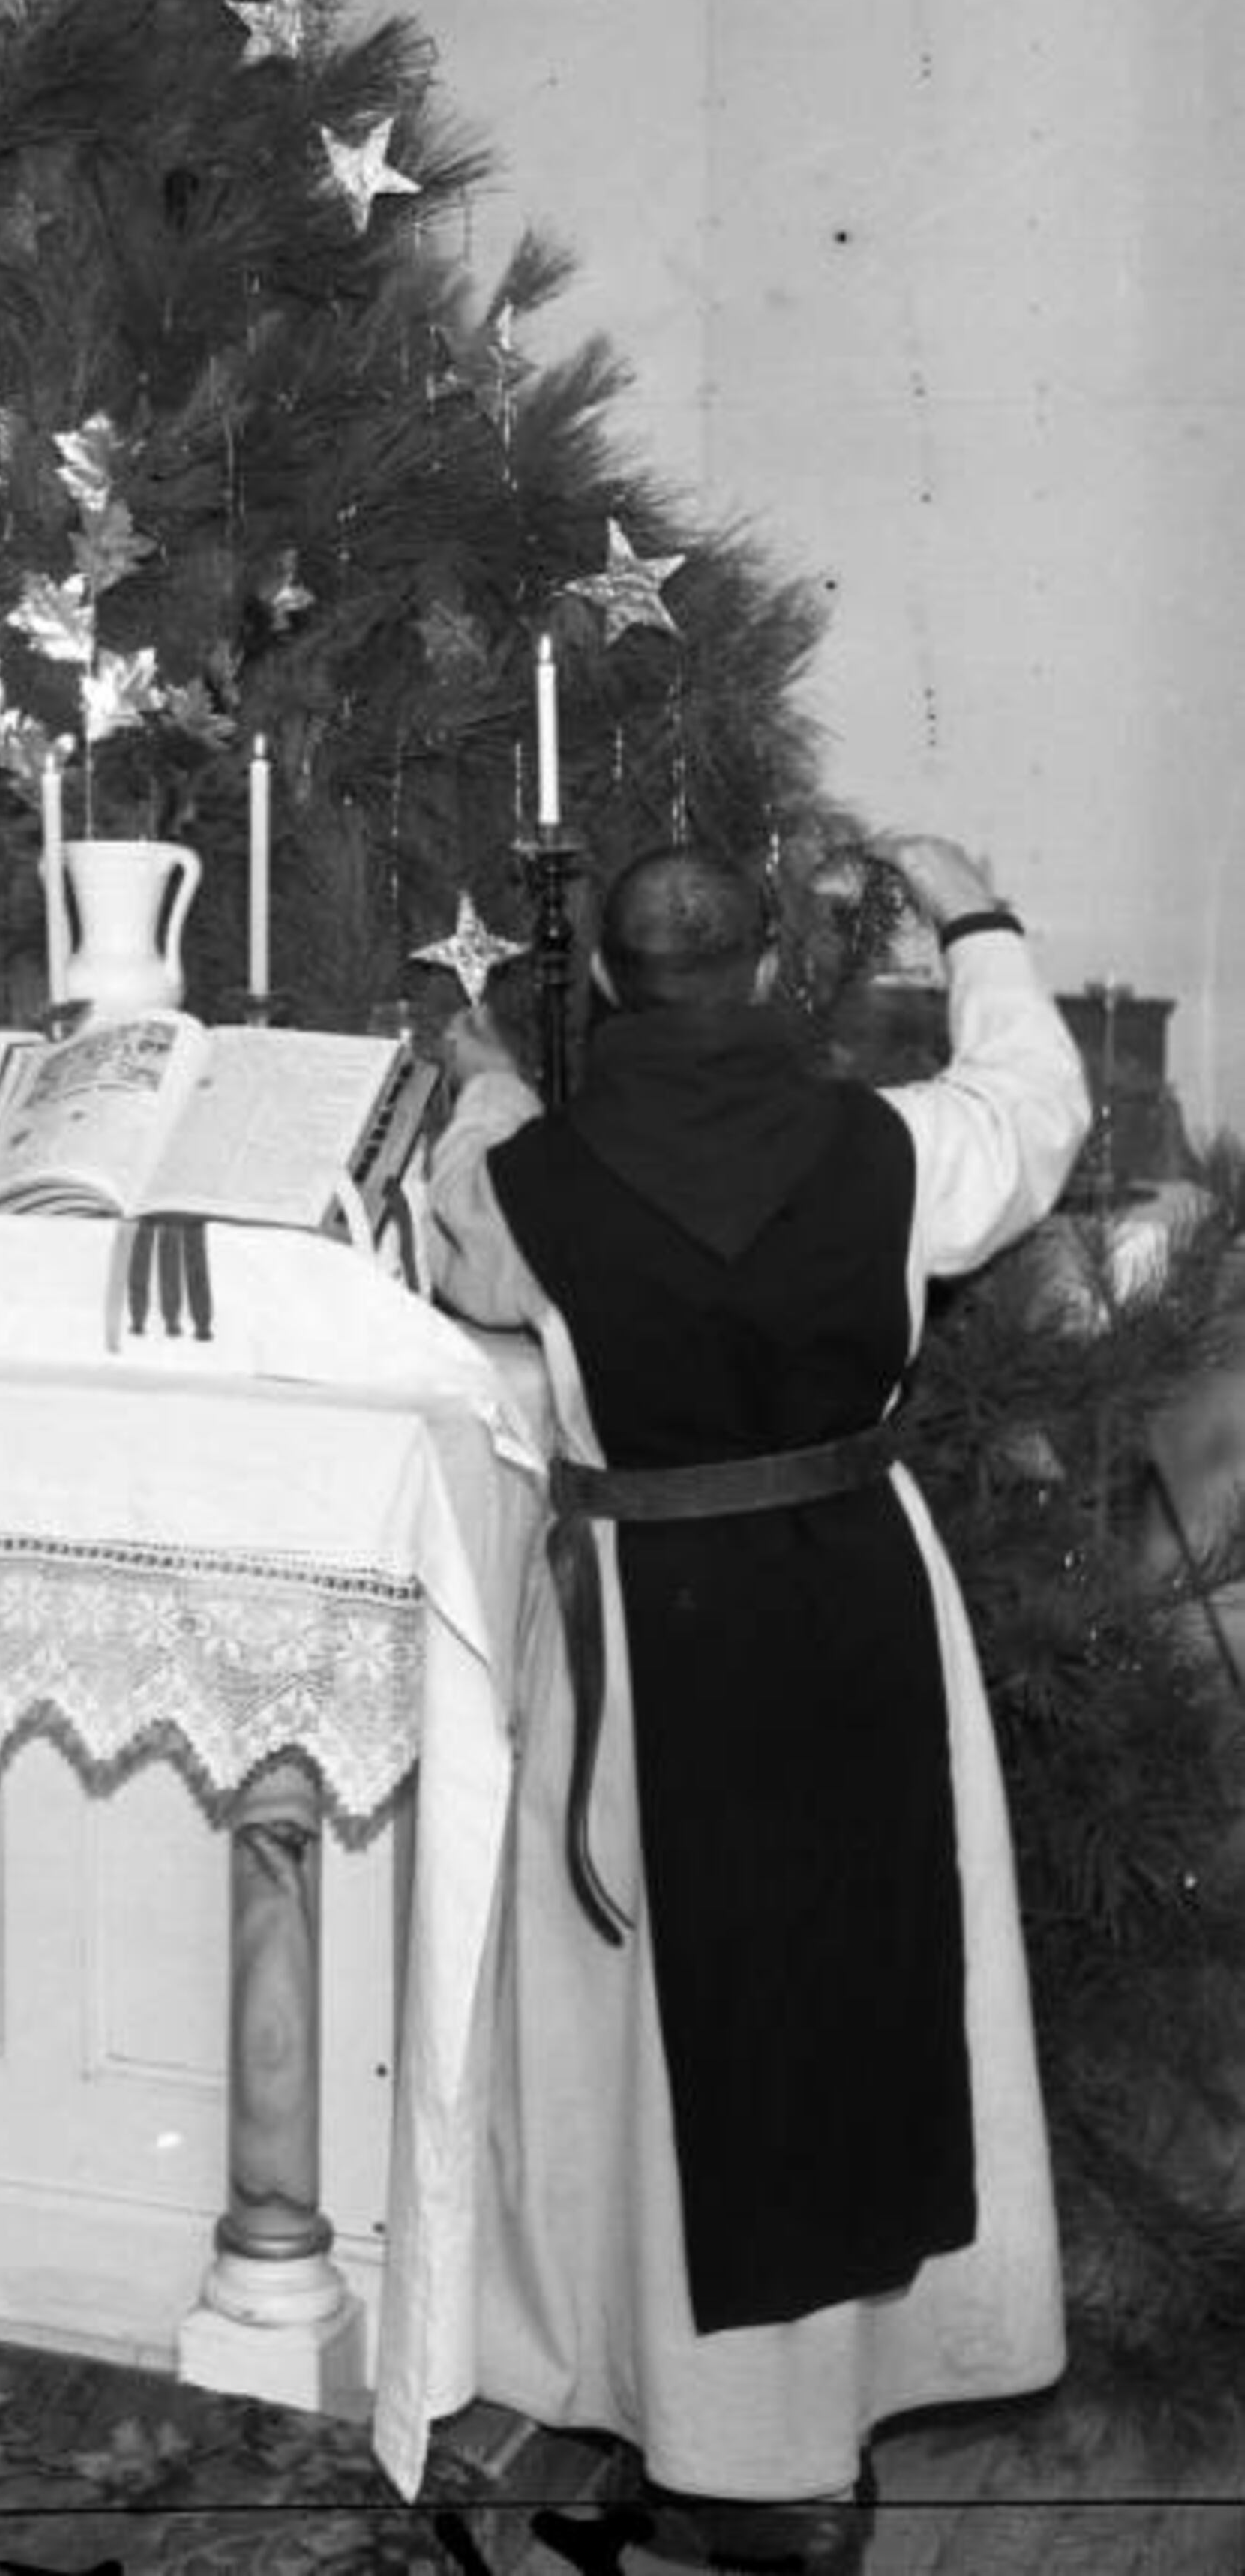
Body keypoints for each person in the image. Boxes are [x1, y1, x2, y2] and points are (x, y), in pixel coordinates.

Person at [423, 834, 1089, 2572]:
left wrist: (480, 1081)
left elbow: (466, 1237)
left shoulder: (528, 1175)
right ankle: (807, 2438)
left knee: (649, 2032)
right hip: (856, 1592)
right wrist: (973, 914)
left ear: (592, 964)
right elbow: (1033, 1103)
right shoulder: (893, 1144)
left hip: (643, 1637)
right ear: (780, 959)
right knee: (856, 1998)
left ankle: (693, 2430)